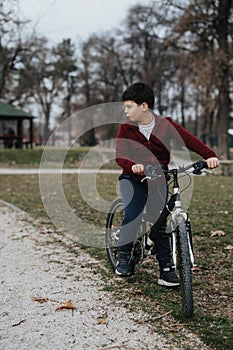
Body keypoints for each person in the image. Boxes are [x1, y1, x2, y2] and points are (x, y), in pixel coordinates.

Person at [115, 82, 219, 286]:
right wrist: (133, 165)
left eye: (129, 106)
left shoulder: (166, 125)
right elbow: (120, 156)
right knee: (133, 214)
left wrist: (210, 156)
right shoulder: (126, 128)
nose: (125, 111)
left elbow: (191, 141)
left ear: (144, 106)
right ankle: (123, 256)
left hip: (158, 178)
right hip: (132, 178)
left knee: (160, 221)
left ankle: (166, 269)